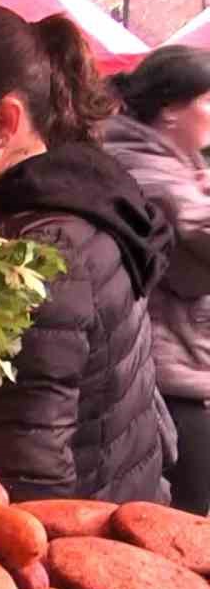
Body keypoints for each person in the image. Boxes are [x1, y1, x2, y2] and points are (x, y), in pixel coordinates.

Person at [0, 1, 173, 503]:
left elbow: (23, 494)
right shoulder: (72, 205)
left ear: (4, 121)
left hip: (75, 555)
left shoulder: (37, 258)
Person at [102, 45, 210, 512]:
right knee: (185, 526)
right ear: (169, 110)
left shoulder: (175, 164)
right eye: (207, 100)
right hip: (170, 380)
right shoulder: (148, 169)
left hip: (177, 371)